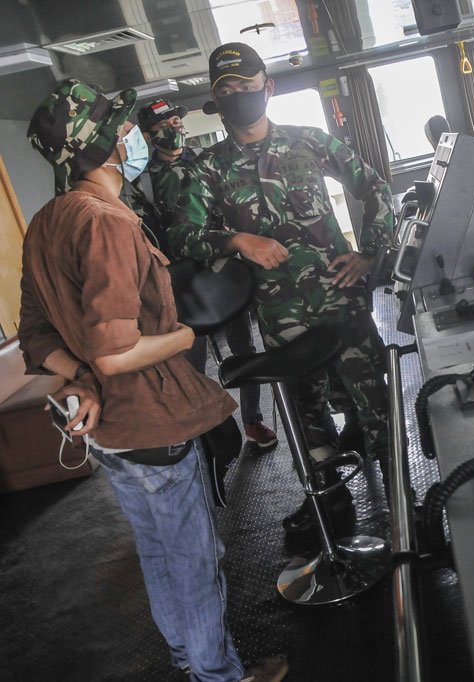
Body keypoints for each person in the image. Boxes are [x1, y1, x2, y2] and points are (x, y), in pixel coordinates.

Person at [20, 78, 287, 682]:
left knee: (159, 555)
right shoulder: (106, 223)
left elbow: (39, 338)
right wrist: (189, 334)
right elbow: (116, 353)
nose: (134, 134)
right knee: (195, 561)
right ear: (106, 147)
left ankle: (190, 663)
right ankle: (218, 674)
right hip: (152, 424)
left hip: (109, 434)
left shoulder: (45, 222)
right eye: (122, 128)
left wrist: (80, 381)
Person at [169, 43, 395, 537]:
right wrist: (236, 239)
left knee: (376, 403)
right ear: (215, 98)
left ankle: (403, 503)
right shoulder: (207, 168)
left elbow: (376, 189)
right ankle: (331, 508)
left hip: (342, 304)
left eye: (246, 86)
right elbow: (182, 235)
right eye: (225, 90)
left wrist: (370, 255)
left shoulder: (309, 141)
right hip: (279, 315)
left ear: (267, 88)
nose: (237, 96)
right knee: (306, 416)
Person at [136, 97, 278, 451]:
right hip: (182, 287)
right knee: (192, 361)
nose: (175, 128)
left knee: (244, 348)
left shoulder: (205, 162)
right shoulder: (143, 181)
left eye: (176, 121)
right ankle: (213, 429)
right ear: (148, 135)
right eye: (165, 126)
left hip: (224, 272)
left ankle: (252, 419)